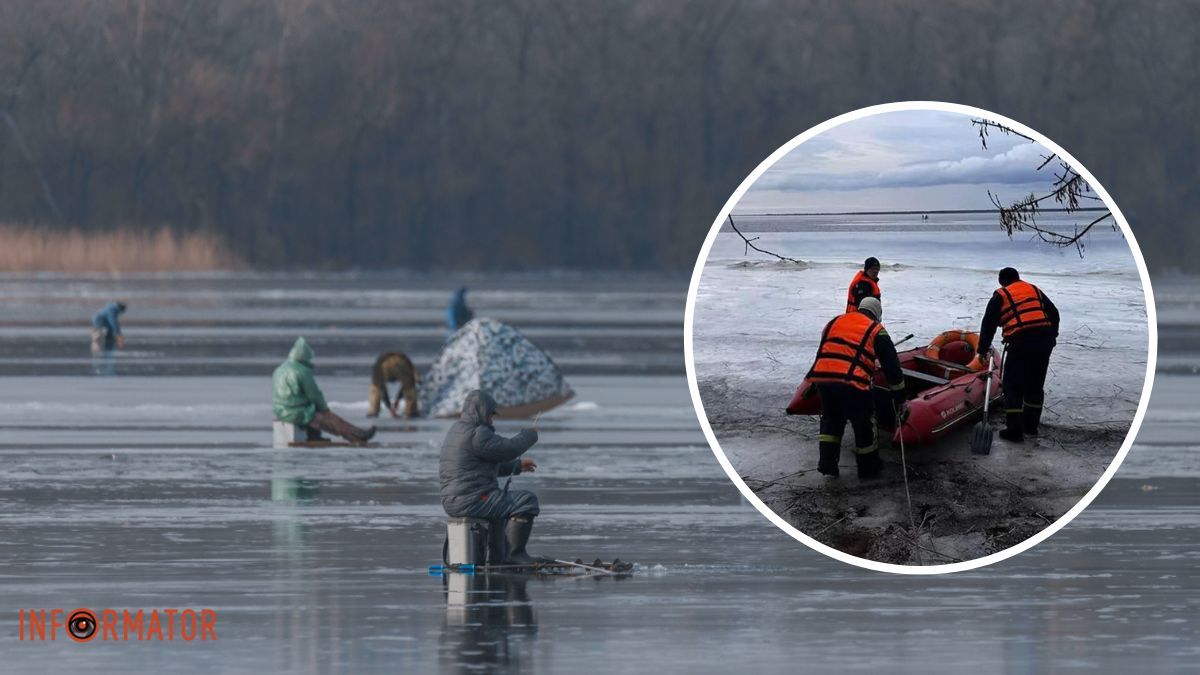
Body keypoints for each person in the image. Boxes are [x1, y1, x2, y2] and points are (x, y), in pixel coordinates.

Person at [806, 297, 905, 478]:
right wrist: (899, 397)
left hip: (825, 380)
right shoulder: (876, 330)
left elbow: (825, 351)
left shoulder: (834, 321)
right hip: (853, 385)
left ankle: (827, 464)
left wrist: (814, 383)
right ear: (877, 315)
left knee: (831, 421)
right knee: (864, 426)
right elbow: (892, 367)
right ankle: (869, 470)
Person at [439, 390, 541, 563]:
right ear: (482, 411)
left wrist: (517, 466)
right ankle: (515, 555)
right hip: (471, 499)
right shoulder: (477, 434)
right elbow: (508, 449)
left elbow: (483, 464)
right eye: (490, 415)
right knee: (526, 500)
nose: (492, 420)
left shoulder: (457, 430)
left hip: (454, 500)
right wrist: (530, 434)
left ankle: (496, 558)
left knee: (499, 507)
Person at [969, 267, 1060, 443]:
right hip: (1044, 342)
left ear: (1001, 281)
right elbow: (1054, 313)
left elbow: (988, 325)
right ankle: (1031, 428)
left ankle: (1014, 430)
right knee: (1035, 385)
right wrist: (1053, 336)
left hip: (1021, 342)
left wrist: (981, 351)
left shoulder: (1001, 295)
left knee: (1013, 385)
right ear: (1018, 278)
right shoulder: (1033, 289)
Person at [272, 337, 376, 444]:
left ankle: (352, 434)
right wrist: (324, 409)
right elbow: (314, 394)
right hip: (294, 412)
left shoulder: (280, 369)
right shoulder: (301, 371)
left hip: (280, 410)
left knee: (316, 413)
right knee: (326, 418)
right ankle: (357, 435)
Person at [367, 351, 420, 418]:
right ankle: (412, 410)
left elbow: (381, 388)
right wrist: (395, 402)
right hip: (402, 361)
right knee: (410, 388)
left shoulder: (381, 364)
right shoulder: (403, 361)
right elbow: (407, 385)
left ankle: (373, 411)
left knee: (375, 388)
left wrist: (391, 406)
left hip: (384, 362)